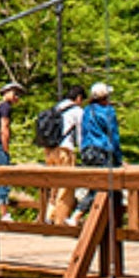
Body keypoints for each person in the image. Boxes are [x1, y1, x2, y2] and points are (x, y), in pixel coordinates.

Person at [72, 82, 122, 222]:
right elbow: (114, 136)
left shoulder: (87, 110)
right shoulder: (108, 111)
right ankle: (78, 215)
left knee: (95, 185)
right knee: (103, 186)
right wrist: (118, 159)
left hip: (87, 151)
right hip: (102, 151)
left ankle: (91, 219)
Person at [42, 87, 85, 226]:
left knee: (54, 184)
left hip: (49, 149)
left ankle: (49, 216)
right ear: (78, 98)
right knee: (66, 186)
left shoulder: (56, 108)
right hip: (65, 149)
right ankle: (60, 220)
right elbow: (80, 135)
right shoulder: (77, 111)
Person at [0, 81, 23, 222]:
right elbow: (4, 129)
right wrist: (6, 149)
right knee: (3, 179)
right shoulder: (5, 108)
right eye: (15, 93)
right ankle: (4, 213)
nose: (16, 97)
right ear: (6, 93)